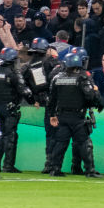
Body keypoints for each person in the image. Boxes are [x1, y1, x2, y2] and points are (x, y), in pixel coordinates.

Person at [47, 47, 104, 178]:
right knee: (85, 144)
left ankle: (55, 169)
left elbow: (51, 100)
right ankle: (90, 170)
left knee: (60, 143)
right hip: (78, 117)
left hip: (62, 116)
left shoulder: (56, 78)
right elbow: (90, 96)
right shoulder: (82, 78)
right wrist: (96, 91)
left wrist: (52, 115)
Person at [0, 47, 34, 173]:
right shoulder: (14, 74)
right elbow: (25, 91)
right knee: (11, 135)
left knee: (4, 134)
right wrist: (32, 100)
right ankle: (8, 165)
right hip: (11, 107)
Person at [23, 37, 61, 172]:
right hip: (59, 103)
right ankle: (56, 165)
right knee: (62, 136)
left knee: (50, 135)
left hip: (46, 104)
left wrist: (33, 100)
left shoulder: (27, 67)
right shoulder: (52, 62)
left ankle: (48, 164)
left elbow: (24, 88)